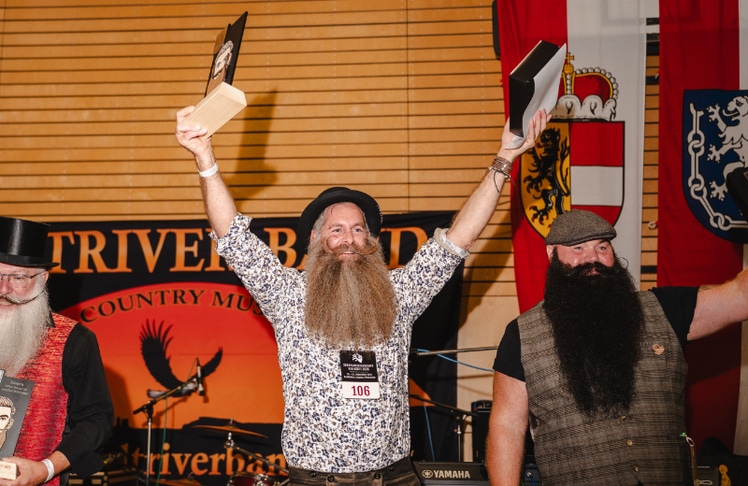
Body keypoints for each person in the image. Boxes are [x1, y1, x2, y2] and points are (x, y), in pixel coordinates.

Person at [175, 104, 550, 484]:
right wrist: (205, 158)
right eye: (336, 229)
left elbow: (459, 239)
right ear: (315, 239)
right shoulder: (288, 295)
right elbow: (233, 237)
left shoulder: (399, 293)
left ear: (370, 242)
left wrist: (504, 157)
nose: (349, 239)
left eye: (358, 230)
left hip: (394, 477)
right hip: (317, 480)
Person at [486, 209, 748, 486]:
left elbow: (740, 297)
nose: (592, 259)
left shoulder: (666, 309)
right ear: (552, 254)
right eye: (578, 248)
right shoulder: (522, 335)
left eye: (602, 247)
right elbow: (507, 426)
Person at [0, 216, 114, 486]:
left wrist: (46, 469)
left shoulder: (74, 340)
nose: (4, 289)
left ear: (42, 278)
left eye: (18, 277)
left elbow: (97, 420)